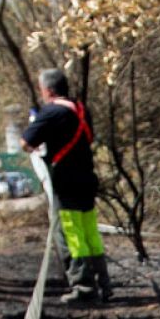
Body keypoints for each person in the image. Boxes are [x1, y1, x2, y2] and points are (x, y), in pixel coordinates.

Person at [23, 67, 110, 303]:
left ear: (48, 90)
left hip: (66, 182)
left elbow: (26, 142)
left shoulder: (51, 112)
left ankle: (83, 285)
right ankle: (102, 282)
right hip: (86, 179)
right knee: (90, 231)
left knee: (70, 233)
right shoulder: (81, 110)